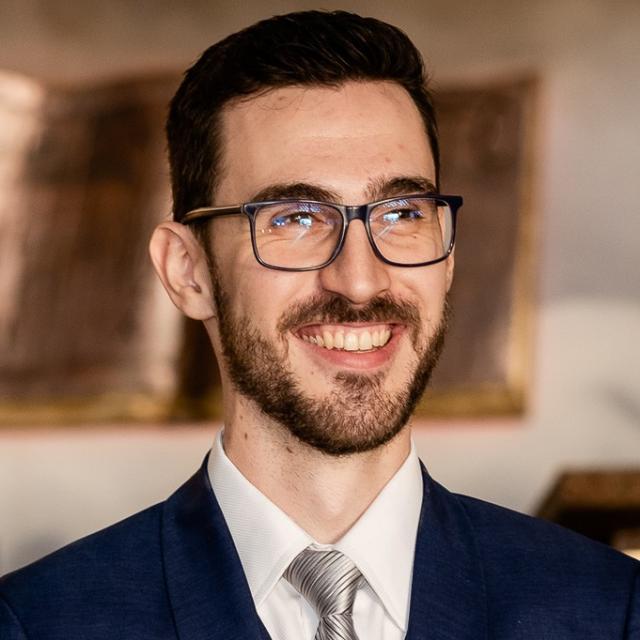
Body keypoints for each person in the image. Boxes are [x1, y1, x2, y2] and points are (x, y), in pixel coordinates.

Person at [1, 10, 638, 639]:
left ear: (447, 251)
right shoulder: (37, 623)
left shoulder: (612, 613)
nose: (360, 282)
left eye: (402, 213)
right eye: (296, 218)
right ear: (187, 271)